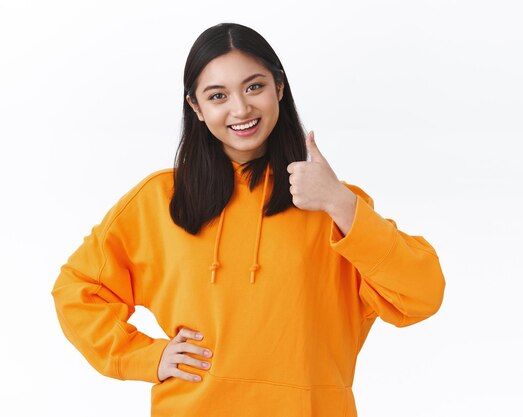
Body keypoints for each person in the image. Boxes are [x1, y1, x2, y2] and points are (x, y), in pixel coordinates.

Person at [51, 22, 446, 417]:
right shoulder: (159, 200)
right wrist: (145, 357)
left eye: (254, 86)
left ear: (279, 87)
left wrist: (339, 202)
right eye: (217, 95)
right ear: (196, 107)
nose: (240, 109)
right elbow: (78, 290)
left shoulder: (332, 205)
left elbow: (422, 294)